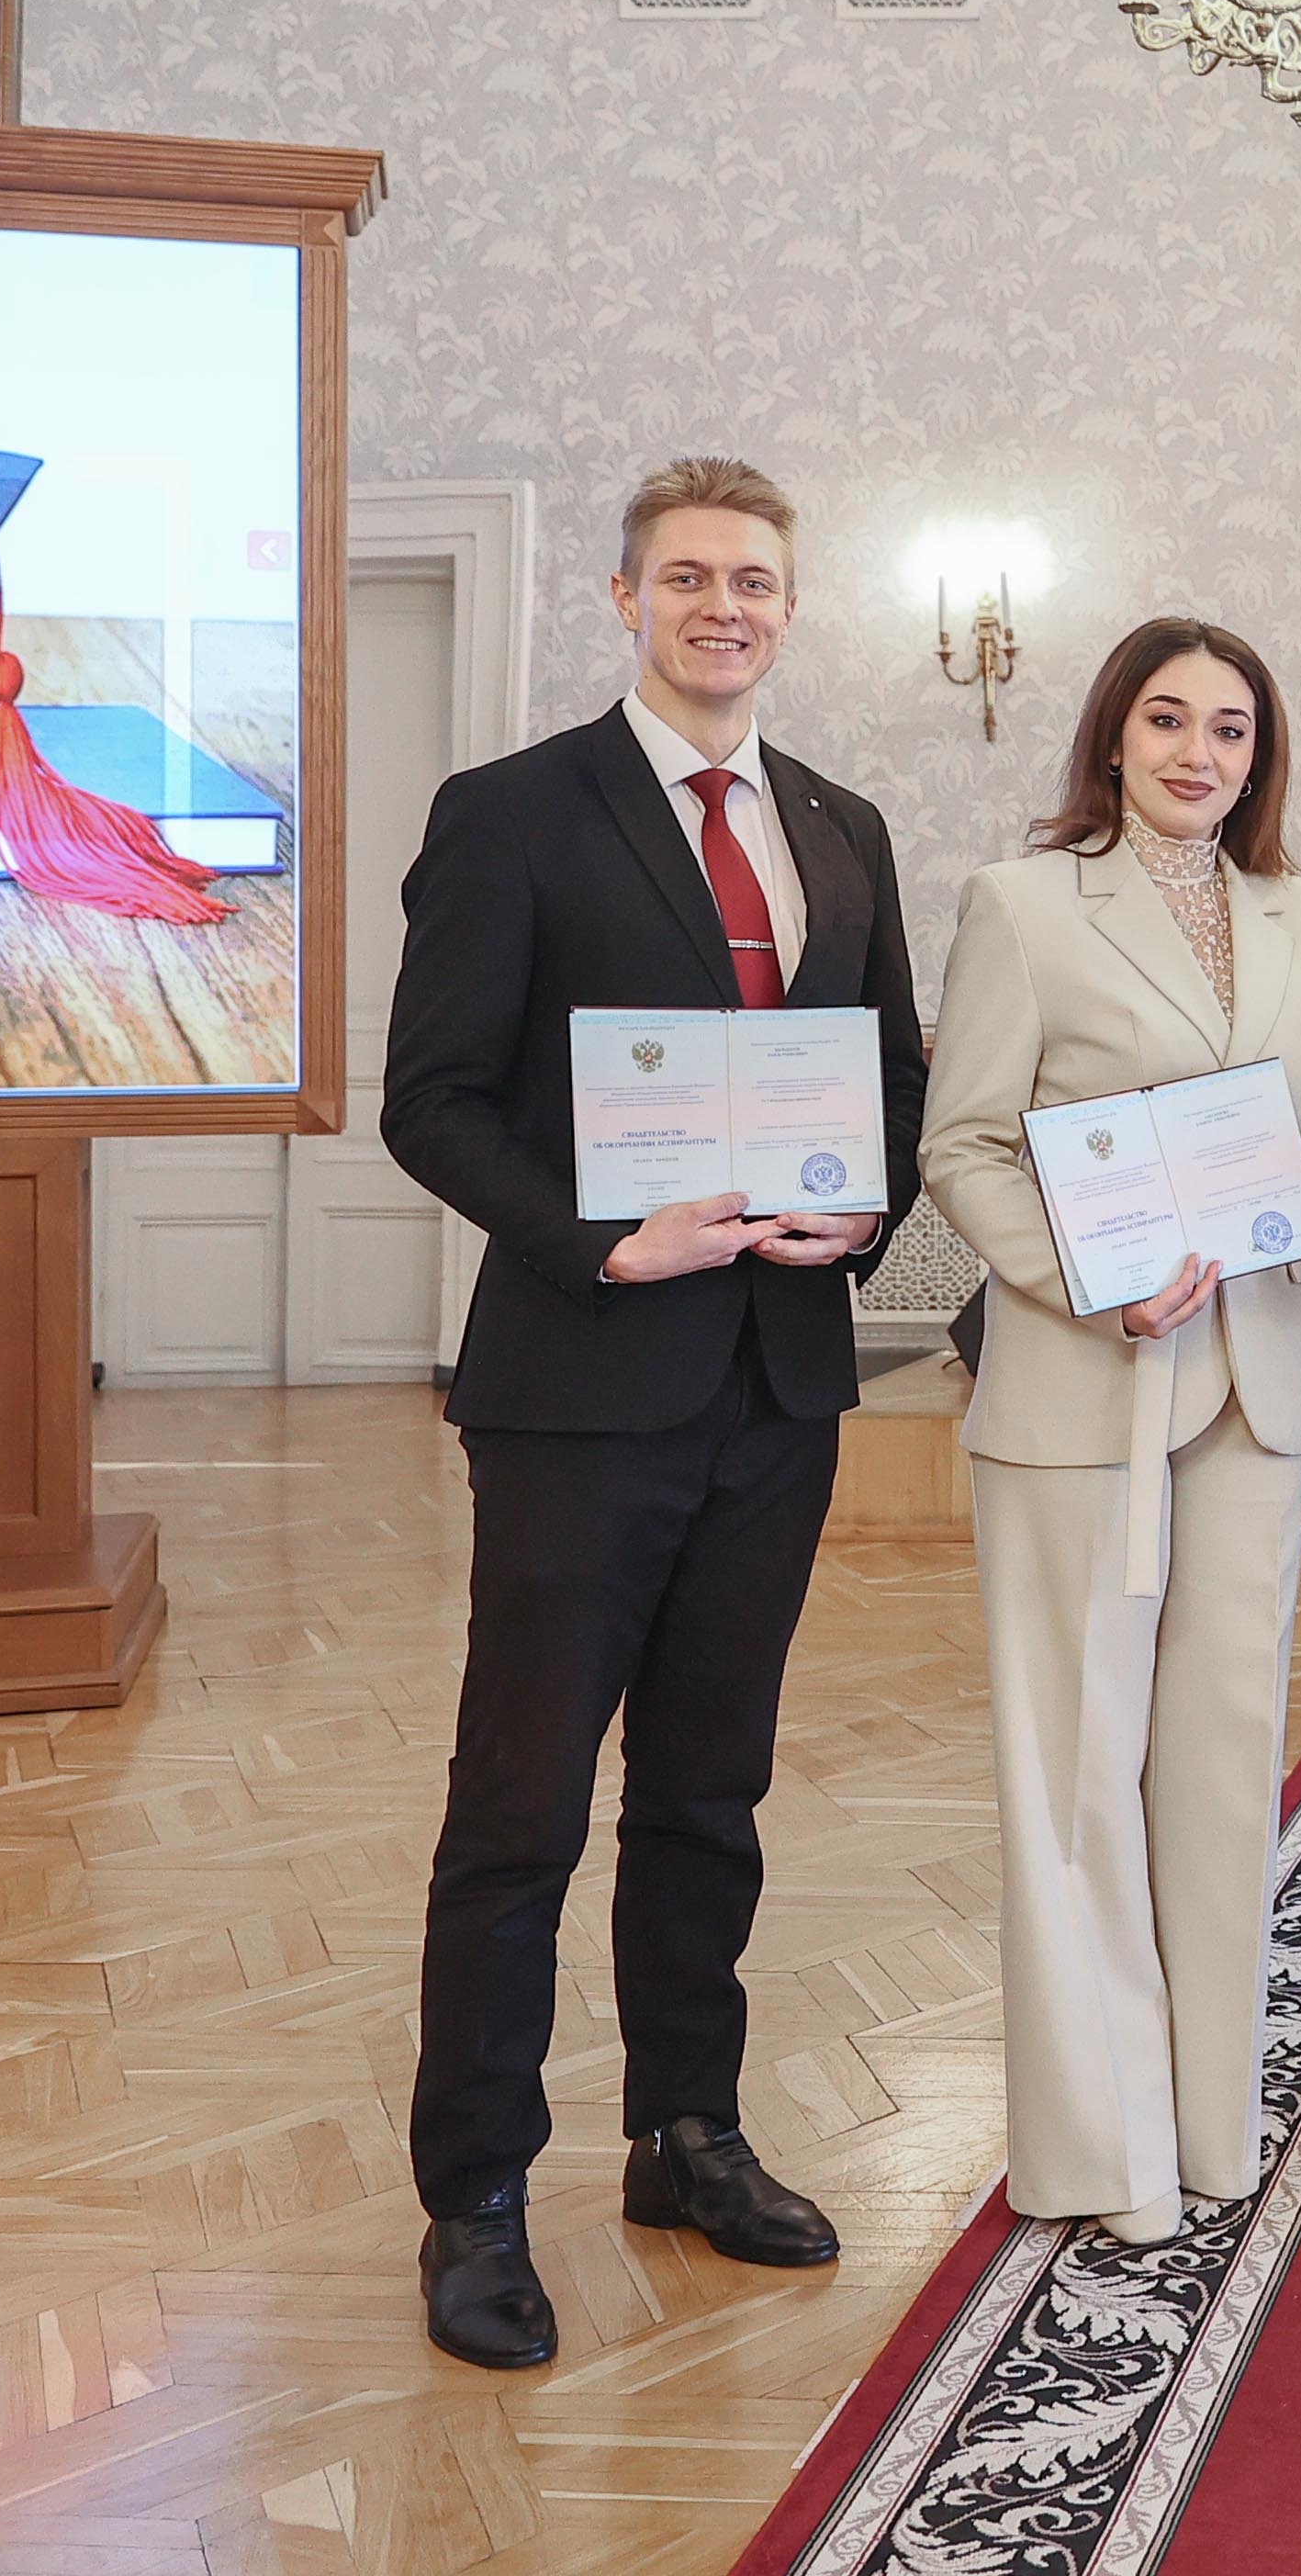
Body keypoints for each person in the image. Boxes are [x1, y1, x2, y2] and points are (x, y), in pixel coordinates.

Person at [378, 456, 932, 2370]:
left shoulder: (842, 825)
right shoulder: (512, 811)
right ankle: (473, 2199)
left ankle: (688, 2133)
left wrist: (868, 1214)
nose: (723, 607)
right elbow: (433, 1100)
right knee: (520, 1809)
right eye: (687, 576)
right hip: (581, 1386)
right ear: (624, 598)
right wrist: (602, 1242)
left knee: (711, 1793)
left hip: (779, 1382)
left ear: (790, 605)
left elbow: (892, 1078)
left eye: (753, 580)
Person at [917, 619, 1301, 2248]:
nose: (1197, 752)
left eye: (1230, 729)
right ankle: (1099, 2148)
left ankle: (1209, 2129)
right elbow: (963, 1142)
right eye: (1167, 720)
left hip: (1255, 1390)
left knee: (1224, 1769)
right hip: (1080, 1382)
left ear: (1260, 758)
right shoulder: (1023, 904)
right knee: (1076, 1769)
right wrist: (1082, 1279)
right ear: (1112, 737)